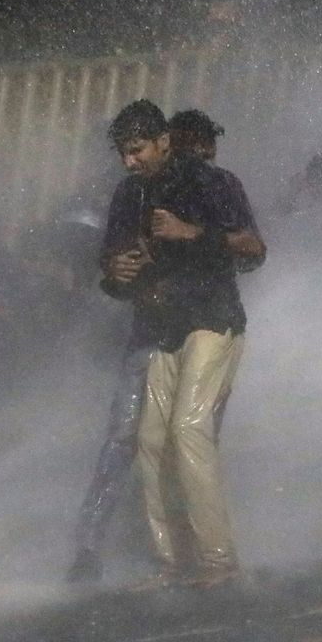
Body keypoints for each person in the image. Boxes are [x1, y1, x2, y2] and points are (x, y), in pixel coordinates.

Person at [66, 107, 264, 584]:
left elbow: (254, 249)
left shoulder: (211, 182)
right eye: (122, 153)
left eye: (136, 151)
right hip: (159, 327)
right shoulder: (128, 194)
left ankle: (218, 558)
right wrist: (116, 275)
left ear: (163, 142)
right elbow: (114, 272)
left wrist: (189, 231)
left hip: (212, 320)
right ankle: (172, 560)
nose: (128, 162)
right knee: (151, 439)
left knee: (188, 428)